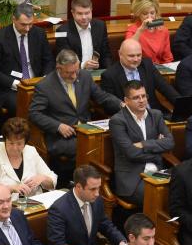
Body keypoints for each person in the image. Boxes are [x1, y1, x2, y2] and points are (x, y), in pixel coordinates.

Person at [28, 48, 122, 181]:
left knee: (111, 142)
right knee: (90, 148)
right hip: (62, 138)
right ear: (58, 68)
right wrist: (58, 126)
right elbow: (35, 114)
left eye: (76, 71)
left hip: (87, 131)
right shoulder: (44, 86)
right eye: (69, 73)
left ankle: (107, 182)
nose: (74, 76)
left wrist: (122, 105)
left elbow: (102, 97)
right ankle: (85, 183)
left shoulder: (84, 76)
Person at [0, 2, 55, 116]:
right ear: (14, 19)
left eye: (30, 24)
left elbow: (48, 60)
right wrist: (15, 83)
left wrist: (44, 78)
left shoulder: (39, 34)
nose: (27, 29)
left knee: (56, 101)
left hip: (37, 83)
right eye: (23, 24)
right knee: (21, 104)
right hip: (9, 88)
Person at [110, 81, 174, 205]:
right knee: (158, 198)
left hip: (157, 172)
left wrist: (144, 144)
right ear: (126, 100)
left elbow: (170, 142)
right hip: (133, 179)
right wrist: (157, 150)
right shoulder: (117, 121)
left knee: (182, 190)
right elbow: (131, 153)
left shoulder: (156, 115)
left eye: (144, 96)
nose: (141, 100)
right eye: (136, 97)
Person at [47, 164, 126, 245]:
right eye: (93, 189)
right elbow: (57, 244)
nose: (97, 193)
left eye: (98, 188)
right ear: (79, 187)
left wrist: (121, 241)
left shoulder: (97, 201)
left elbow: (106, 225)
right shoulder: (59, 209)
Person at [0, 117, 56, 203]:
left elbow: (52, 181)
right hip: (3, 207)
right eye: (11, 143)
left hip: (32, 205)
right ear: (5, 140)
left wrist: (42, 178)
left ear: (25, 142)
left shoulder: (31, 151)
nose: (15, 148)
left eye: (19, 143)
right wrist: (11, 188)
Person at [100, 37, 178, 113]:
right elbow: (109, 105)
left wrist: (182, 105)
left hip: (154, 114)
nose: (136, 59)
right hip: (128, 119)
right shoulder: (109, 75)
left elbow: (166, 89)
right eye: (131, 56)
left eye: (139, 55)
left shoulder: (147, 65)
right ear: (120, 54)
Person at [55, 0, 112, 70]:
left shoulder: (101, 26)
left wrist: (108, 72)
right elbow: (64, 60)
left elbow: (106, 54)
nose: (84, 17)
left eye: (87, 13)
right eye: (80, 13)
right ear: (73, 13)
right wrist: (83, 65)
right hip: (74, 73)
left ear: (91, 10)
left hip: (97, 72)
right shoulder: (60, 31)